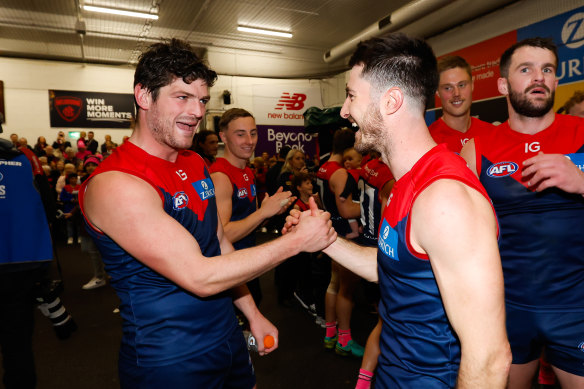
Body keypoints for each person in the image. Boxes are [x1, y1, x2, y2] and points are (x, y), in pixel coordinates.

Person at [79, 38, 334, 389]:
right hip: (169, 361)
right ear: (143, 96)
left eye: (201, 100)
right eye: (182, 97)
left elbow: (218, 244)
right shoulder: (117, 183)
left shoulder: (195, 163)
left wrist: (253, 314)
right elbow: (199, 276)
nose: (198, 112)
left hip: (226, 336)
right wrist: (296, 242)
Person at [287, 34, 511, 388]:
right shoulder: (407, 182)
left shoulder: (444, 199)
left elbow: (489, 359)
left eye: (351, 96)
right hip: (393, 374)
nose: (344, 112)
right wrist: (323, 239)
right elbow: (393, 267)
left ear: (390, 101)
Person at [460, 37, 584, 389]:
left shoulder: (581, 132)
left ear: (557, 81)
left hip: (576, 307)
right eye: (525, 69)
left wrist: (581, 181)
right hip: (506, 307)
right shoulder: (477, 148)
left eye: (547, 70)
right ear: (503, 84)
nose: (539, 78)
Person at [210, 108, 294, 307]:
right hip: (228, 269)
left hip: (246, 261)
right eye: (240, 134)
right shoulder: (221, 177)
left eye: (253, 133)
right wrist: (263, 213)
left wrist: (269, 212)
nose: (249, 140)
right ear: (224, 137)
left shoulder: (247, 171)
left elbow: (248, 222)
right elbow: (222, 235)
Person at [0, 138, 54, 389]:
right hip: (22, 261)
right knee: (18, 344)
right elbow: (47, 203)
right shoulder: (25, 158)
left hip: (19, 263)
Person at [316, 127, 364, 357]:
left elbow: (319, 199)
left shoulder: (323, 168)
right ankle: (344, 339)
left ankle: (330, 333)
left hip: (332, 231)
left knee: (334, 284)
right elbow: (346, 211)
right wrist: (371, 207)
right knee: (346, 289)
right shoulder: (340, 173)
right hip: (344, 234)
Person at [353, 150, 394, 389]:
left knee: (384, 320)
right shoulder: (389, 175)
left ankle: (363, 380)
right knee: (387, 321)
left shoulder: (369, 165)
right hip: (382, 246)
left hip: (371, 238)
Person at [429, 55, 494, 153]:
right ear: (437, 91)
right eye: (448, 88)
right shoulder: (429, 141)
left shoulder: (492, 133)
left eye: (462, 85)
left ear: (472, 84)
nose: (456, 93)